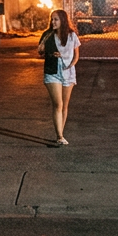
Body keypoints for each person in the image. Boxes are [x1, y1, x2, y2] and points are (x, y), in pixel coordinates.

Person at [38, 9, 80, 146]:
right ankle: (60, 136)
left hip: (68, 72)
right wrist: (45, 50)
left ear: (63, 20)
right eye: (52, 19)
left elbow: (76, 55)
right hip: (52, 72)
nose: (53, 22)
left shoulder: (72, 35)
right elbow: (40, 51)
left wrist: (70, 65)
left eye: (56, 19)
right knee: (58, 104)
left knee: (65, 106)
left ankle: (60, 133)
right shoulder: (47, 34)